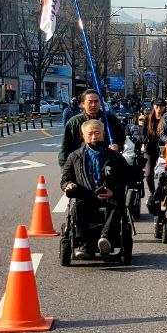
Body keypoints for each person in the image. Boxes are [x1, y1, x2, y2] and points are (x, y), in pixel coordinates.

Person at [60, 118, 132, 255]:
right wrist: (68, 185)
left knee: (117, 205)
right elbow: (65, 179)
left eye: (97, 133)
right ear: (83, 136)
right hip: (86, 196)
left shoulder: (115, 156)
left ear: (103, 134)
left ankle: (105, 239)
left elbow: (127, 177)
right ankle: (85, 245)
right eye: (90, 134)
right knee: (77, 208)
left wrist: (114, 191)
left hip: (109, 195)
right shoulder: (74, 156)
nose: (94, 136)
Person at [58, 90, 126, 166]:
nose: (93, 105)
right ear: (83, 104)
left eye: (96, 101)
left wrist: (118, 146)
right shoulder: (74, 122)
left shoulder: (111, 119)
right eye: (90, 102)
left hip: (108, 164)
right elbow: (65, 148)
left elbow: (121, 138)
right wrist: (65, 169)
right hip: (82, 165)